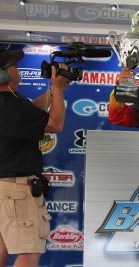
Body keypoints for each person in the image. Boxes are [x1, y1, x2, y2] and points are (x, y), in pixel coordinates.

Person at [0, 47, 71, 267]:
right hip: (17, 191)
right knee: (30, 252)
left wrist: (52, 92)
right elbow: (55, 124)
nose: (18, 70)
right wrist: (58, 89)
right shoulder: (11, 106)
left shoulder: (10, 104)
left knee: (2, 248)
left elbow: (30, 115)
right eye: (13, 66)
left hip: (5, 189)